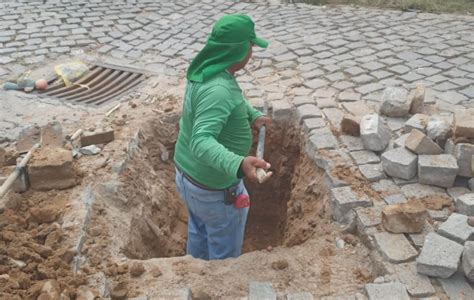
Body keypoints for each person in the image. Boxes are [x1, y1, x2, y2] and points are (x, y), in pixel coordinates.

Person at [174, 14, 272, 260]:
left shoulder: (206, 70)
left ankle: (196, 270)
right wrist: (238, 163)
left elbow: (231, 102)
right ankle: (217, 282)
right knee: (224, 248)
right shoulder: (218, 90)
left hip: (190, 179)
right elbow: (201, 140)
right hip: (214, 191)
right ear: (239, 50)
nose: (252, 50)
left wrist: (251, 114)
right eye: (250, 45)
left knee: (199, 229)